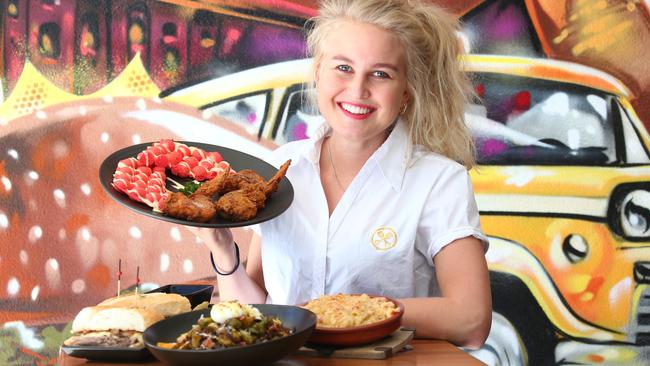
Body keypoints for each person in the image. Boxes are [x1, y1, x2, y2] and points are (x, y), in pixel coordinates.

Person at [190, 0, 492, 349]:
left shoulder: (440, 182)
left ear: (406, 91)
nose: (358, 90)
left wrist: (350, 313)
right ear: (319, 72)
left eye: (381, 74)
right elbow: (256, 313)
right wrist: (223, 253)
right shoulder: (281, 170)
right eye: (343, 67)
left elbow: (471, 319)